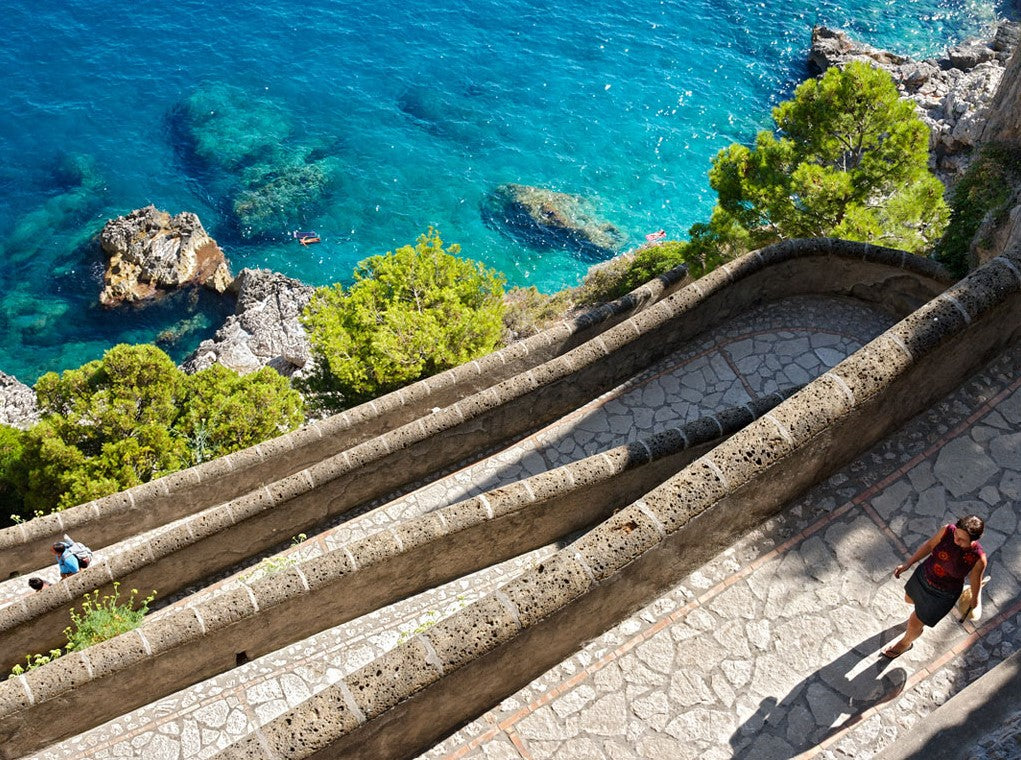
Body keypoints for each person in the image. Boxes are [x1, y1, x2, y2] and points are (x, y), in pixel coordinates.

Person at [883, 515, 987, 658]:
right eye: (956, 534)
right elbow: (929, 546)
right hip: (924, 576)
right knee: (909, 599)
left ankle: (905, 643)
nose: (956, 540)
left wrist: (975, 599)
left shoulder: (978, 558)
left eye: (962, 540)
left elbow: (976, 580)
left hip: (943, 594)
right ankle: (919, 617)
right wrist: (908, 563)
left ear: (974, 540)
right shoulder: (947, 531)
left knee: (915, 622)